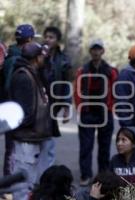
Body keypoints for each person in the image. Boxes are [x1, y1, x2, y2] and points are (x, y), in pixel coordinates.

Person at [7, 42, 53, 200]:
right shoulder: (23, 76)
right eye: (41, 56)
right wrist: (30, 126)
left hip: (32, 139)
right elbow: (23, 113)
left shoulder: (33, 72)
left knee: (31, 182)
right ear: (35, 58)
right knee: (22, 185)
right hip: (25, 141)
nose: (43, 59)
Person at [74, 39, 118, 186]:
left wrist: (111, 107)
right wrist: (80, 107)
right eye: (93, 49)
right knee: (86, 146)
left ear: (103, 51)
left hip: (105, 112)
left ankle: (103, 175)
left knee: (104, 146)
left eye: (98, 49)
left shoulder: (111, 71)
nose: (96, 51)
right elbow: (77, 91)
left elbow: (115, 91)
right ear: (90, 51)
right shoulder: (82, 70)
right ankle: (85, 175)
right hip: (87, 112)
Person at [2, 24, 36, 176]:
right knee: (14, 147)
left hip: (8, 105)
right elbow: (9, 84)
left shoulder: (8, 55)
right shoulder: (18, 59)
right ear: (29, 39)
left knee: (11, 146)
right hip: (16, 107)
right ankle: (10, 183)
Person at [39, 26, 73, 169]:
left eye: (51, 37)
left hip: (54, 103)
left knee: (49, 139)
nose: (48, 39)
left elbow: (66, 84)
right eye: (46, 36)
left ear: (57, 41)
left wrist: (67, 107)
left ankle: (46, 171)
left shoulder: (63, 59)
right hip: (38, 103)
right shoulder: (37, 54)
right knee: (38, 138)